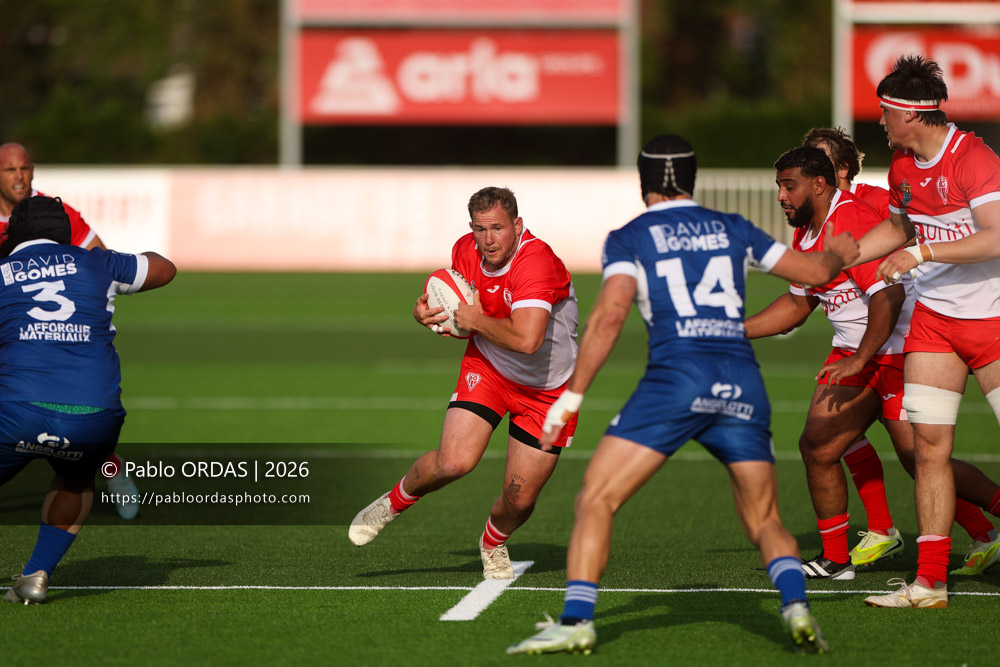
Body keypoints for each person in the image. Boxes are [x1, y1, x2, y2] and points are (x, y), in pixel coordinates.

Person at [507, 135, 861, 655]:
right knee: (764, 518)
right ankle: (795, 606)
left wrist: (573, 395)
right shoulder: (731, 226)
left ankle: (577, 619)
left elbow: (609, 316)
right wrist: (838, 256)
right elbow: (814, 273)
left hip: (676, 380)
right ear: (693, 179)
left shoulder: (629, 235)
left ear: (643, 181)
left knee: (596, 498)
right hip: (741, 380)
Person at [348, 186, 579, 580]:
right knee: (454, 461)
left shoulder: (536, 263)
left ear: (518, 225)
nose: (488, 240)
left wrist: (473, 322)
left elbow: (527, 340)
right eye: (479, 229)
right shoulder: (465, 251)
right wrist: (427, 315)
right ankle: (393, 501)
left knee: (519, 499)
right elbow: (459, 312)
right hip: (488, 368)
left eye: (498, 228)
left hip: (548, 390)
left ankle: (493, 542)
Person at [802, 130, 1000, 576]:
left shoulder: (860, 206)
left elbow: (888, 279)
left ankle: (977, 532)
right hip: (859, 346)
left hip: (896, 343)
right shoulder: (814, 222)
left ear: (842, 171)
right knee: (832, 438)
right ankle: (884, 532)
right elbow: (805, 296)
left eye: (822, 162)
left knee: (919, 453)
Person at [854, 55, 1000, 609]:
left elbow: (996, 237)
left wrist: (924, 251)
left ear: (908, 114)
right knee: (928, 450)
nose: (881, 124)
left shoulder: (975, 158)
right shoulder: (901, 167)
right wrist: (839, 257)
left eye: (885, 113)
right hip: (935, 324)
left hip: (993, 320)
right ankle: (930, 584)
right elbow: (897, 227)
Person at [0, 196, 176, 605]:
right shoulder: (98, 263)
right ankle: (37, 575)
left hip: (18, 413)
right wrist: (110, 260)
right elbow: (165, 268)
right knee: (77, 478)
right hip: (95, 419)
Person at [0, 141, 140, 520]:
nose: (20, 177)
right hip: (10, 327)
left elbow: (98, 254)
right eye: (10, 170)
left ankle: (114, 470)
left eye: (25, 168)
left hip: (53, 335)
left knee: (69, 406)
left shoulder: (52, 212)